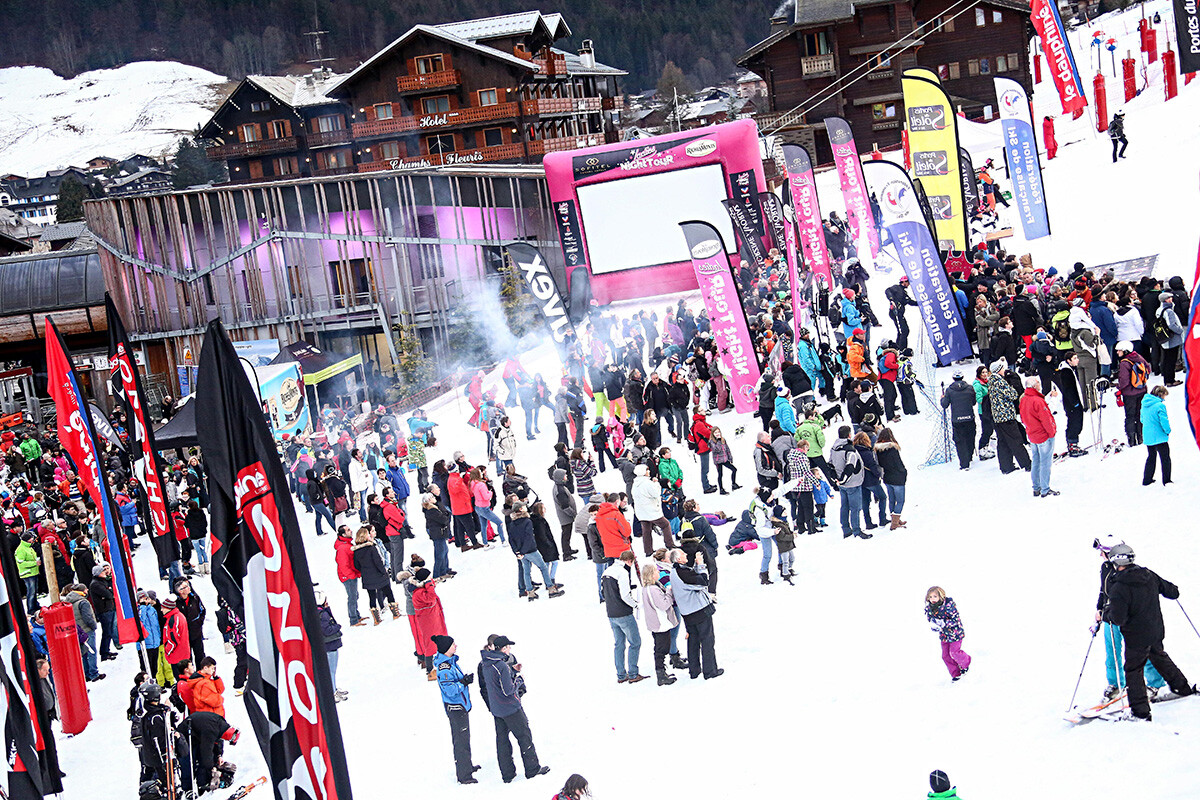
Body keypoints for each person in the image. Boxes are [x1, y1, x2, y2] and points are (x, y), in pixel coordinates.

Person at [1101, 544, 1196, 720]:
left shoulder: (1118, 587)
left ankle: (1140, 712)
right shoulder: (1148, 575)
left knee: (1133, 670)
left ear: (1115, 562)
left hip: (1136, 637)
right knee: (1159, 656)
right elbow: (1172, 592)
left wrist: (1107, 613)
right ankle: (1182, 688)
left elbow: (1119, 619)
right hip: (1155, 630)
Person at [1092, 536, 1166, 700]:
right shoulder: (1105, 568)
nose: (1100, 555)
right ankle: (1116, 684)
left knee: (1141, 652)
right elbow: (1103, 591)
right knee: (1112, 652)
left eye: (1102, 552)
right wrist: (1099, 610)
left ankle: (1155, 684)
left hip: (1132, 619)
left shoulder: (1132, 570)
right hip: (1111, 617)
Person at [479, 635, 550, 783]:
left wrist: (511, 670)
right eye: (508, 647)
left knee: (502, 741)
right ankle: (532, 769)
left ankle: (507, 773)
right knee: (524, 736)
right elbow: (507, 690)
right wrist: (519, 679)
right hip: (511, 708)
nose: (509, 650)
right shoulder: (501, 666)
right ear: (503, 649)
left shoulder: (486, 663)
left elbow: (495, 684)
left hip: (497, 709)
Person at [432, 635, 479, 785]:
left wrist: (463, 680)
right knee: (460, 741)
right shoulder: (444, 668)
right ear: (446, 649)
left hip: (460, 705)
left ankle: (467, 766)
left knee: (465, 738)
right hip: (455, 708)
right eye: (453, 645)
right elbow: (450, 690)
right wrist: (463, 683)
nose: (456, 646)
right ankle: (464, 774)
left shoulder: (451, 662)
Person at [668, 548, 722, 679]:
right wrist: (701, 565)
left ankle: (694, 670)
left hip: (688, 612)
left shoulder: (676, 571)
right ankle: (710, 671)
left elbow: (693, 580)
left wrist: (697, 567)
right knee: (707, 640)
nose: (686, 554)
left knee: (693, 641)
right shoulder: (682, 572)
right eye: (683, 554)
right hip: (699, 610)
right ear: (678, 559)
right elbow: (702, 582)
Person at [602, 551, 646, 684]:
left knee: (619, 644)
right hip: (624, 613)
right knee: (635, 642)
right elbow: (625, 595)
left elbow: (602, 592)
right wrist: (636, 605)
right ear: (629, 561)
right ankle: (633, 673)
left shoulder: (607, 571)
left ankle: (621, 675)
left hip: (611, 613)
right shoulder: (623, 573)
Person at [987, 360, 1031, 474]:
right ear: (998, 370)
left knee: (1003, 442)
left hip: (998, 417)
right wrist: (1011, 388)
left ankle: (1006, 466)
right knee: (1016, 440)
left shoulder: (991, 381)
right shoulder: (1000, 382)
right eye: (1002, 368)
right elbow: (1013, 394)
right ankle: (1027, 464)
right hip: (1006, 416)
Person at [1019, 375, 1058, 498]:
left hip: (1032, 434)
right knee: (1045, 463)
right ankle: (1045, 489)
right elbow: (1046, 419)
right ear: (1035, 386)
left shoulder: (1025, 399)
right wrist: (1051, 433)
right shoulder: (1037, 401)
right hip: (1043, 435)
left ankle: (1036, 487)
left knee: (1036, 461)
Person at [828, 426, 868, 539]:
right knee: (855, 508)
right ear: (849, 435)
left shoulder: (834, 448)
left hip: (842, 484)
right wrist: (843, 479)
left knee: (844, 506)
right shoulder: (850, 450)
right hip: (852, 483)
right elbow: (850, 466)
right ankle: (857, 530)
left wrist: (836, 478)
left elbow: (830, 464)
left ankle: (845, 529)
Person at [925, 586, 970, 682]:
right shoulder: (930, 607)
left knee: (954, 652)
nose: (932, 599)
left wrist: (944, 623)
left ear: (941, 596)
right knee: (945, 656)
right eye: (930, 597)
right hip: (944, 636)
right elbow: (930, 618)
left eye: (935, 596)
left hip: (955, 633)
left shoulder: (948, 606)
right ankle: (956, 673)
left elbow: (955, 620)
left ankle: (966, 663)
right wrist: (934, 624)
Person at [352, 526, 397, 624]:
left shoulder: (356, 551)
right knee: (388, 592)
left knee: (372, 597)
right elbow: (378, 562)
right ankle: (395, 613)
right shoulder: (371, 548)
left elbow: (356, 566)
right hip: (379, 575)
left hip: (367, 578)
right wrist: (383, 572)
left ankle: (376, 619)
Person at [632, 465, 674, 556]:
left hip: (641, 512)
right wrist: (656, 484)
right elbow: (656, 493)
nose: (649, 471)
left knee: (646, 531)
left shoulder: (635, 484)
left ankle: (648, 551)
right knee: (665, 525)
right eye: (647, 470)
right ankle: (670, 544)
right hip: (651, 511)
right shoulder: (647, 483)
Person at [1116, 341, 1150, 446]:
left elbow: (1124, 381)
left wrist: (1119, 388)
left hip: (1129, 394)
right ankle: (1141, 437)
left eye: (1119, 350)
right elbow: (1148, 368)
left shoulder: (1124, 363)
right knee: (1140, 415)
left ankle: (1132, 439)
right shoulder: (1139, 357)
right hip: (1142, 390)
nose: (1117, 352)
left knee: (1130, 416)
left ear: (1125, 350)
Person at [941, 370, 977, 469]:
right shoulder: (970, 388)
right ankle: (969, 456)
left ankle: (964, 463)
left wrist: (942, 398)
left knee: (960, 441)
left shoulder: (949, 390)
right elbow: (973, 402)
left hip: (957, 419)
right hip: (969, 417)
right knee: (970, 437)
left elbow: (945, 404)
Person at [874, 427, 907, 529]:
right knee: (900, 500)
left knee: (892, 499)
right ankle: (895, 522)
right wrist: (904, 472)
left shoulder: (878, 450)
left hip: (887, 477)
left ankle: (894, 518)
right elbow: (899, 464)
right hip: (897, 477)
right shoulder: (893, 449)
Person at [1140, 385, 1172, 485]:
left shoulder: (1144, 404)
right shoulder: (1160, 406)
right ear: (1160, 394)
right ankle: (1166, 480)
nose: (1164, 398)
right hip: (1159, 436)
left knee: (1151, 457)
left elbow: (1141, 419)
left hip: (1148, 436)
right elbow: (1164, 421)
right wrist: (1167, 431)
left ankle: (1147, 479)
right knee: (1165, 458)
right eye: (1164, 396)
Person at [1154, 292, 1185, 386]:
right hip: (1172, 339)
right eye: (1169, 298)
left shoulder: (1159, 310)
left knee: (1166, 358)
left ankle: (1167, 378)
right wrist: (1180, 330)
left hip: (1164, 337)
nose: (1171, 299)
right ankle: (1170, 380)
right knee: (1171, 360)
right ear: (1165, 300)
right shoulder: (1169, 311)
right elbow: (1171, 325)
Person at [174, 577, 206, 662]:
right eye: (185, 587)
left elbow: (202, 610)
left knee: (200, 655)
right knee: (187, 658)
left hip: (196, 631)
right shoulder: (176, 603)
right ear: (180, 591)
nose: (189, 587)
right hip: (184, 635)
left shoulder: (195, 598)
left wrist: (199, 622)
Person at [161, 594, 189, 679]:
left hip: (177, 656)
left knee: (181, 680)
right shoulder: (179, 616)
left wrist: (167, 651)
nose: (161, 610)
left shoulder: (173, 620)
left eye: (163, 608)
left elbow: (173, 640)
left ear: (168, 608)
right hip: (183, 654)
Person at [885, 276, 918, 349]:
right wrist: (891, 300)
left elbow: (909, 301)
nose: (909, 284)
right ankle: (901, 349)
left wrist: (920, 303)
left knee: (905, 330)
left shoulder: (903, 292)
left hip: (900, 313)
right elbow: (887, 290)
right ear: (904, 282)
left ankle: (899, 348)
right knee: (903, 331)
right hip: (895, 313)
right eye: (908, 282)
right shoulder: (897, 287)